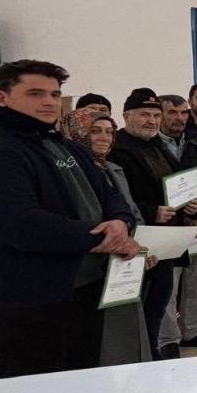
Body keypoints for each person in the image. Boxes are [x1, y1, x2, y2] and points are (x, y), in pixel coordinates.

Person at [0, 60, 140, 378]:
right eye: (35, 93)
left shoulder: (66, 147)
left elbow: (109, 195)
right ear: (1, 97)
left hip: (86, 284)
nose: (49, 102)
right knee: (32, 382)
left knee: (81, 374)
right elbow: (22, 225)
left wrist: (121, 222)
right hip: (27, 292)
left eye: (54, 94)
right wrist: (106, 239)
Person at [109, 88, 197, 359]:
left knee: (161, 299)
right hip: (137, 240)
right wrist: (150, 211)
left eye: (155, 115)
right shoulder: (117, 150)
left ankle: (158, 350)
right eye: (145, 114)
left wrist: (193, 208)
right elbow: (116, 197)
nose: (152, 121)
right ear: (126, 116)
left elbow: (176, 184)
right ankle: (150, 353)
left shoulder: (157, 146)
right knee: (142, 307)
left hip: (165, 240)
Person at [61, 108, 152, 366]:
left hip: (124, 261)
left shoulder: (112, 169)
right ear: (77, 134)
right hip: (89, 268)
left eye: (109, 132)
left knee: (124, 329)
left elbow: (130, 210)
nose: (104, 137)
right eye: (95, 131)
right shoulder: (68, 173)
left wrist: (142, 245)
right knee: (93, 340)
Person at [154, 95, 197, 354]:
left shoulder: (195, 144)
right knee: (169, 286)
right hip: (166, 227)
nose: (179, 118)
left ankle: (192, 329)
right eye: (172, 113)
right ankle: (168, 339)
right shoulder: (151, 147)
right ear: (160, 115)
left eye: (183, 113)